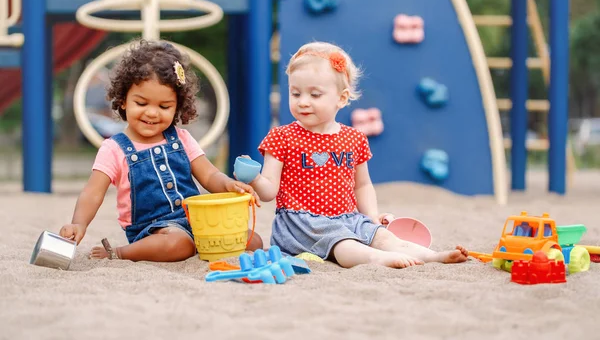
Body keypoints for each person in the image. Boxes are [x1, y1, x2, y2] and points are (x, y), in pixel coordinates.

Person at [245, 41, 468, 269]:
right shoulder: (282, 136)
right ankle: (375, 258)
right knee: (344, 244)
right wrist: (253, 178)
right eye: (295, 93)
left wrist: (371, 216)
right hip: (302, 224)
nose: (303, 101)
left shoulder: (354, 138)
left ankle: (432, 256)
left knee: (383, 237)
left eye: (315, 94)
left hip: (349, 217)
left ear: (341, 98)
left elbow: (362, 185)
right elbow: (269, 192)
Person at [59, 40, 262, 262]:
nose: (152, 113)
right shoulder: (114, 148)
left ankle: (200, 244)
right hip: (154, 230)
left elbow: (209, 174)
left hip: (197, 220)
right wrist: (79, 223)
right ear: (123, 100)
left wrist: (228, 185)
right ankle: (119, 253)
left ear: (178, 106)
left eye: (164, 106)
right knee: (177, 244)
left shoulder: (181, 139)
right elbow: (93, 192)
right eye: (142, 103)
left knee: (253, 240)